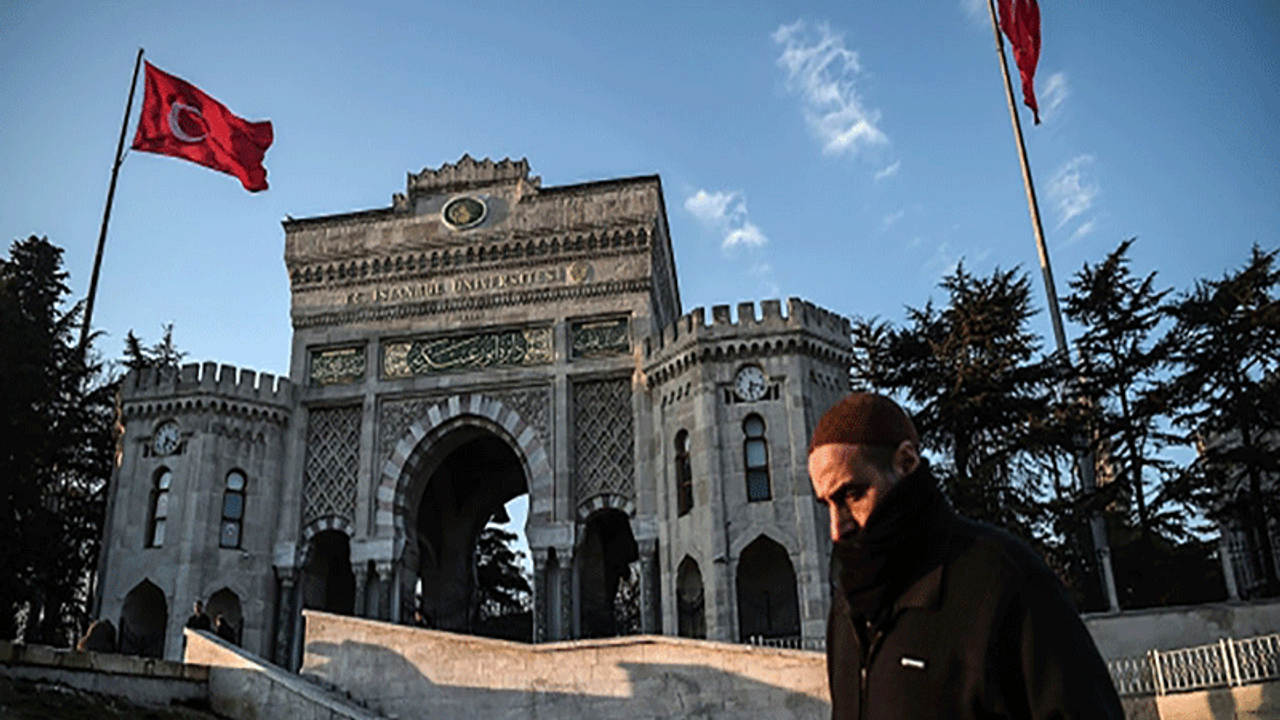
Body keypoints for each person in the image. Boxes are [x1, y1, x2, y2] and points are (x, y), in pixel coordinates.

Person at [808, 393, 1122, 720]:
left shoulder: (1003, 581)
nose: (837, 528)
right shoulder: (847, 611)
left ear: (906, 463)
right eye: (827, 504)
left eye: (852, 495)